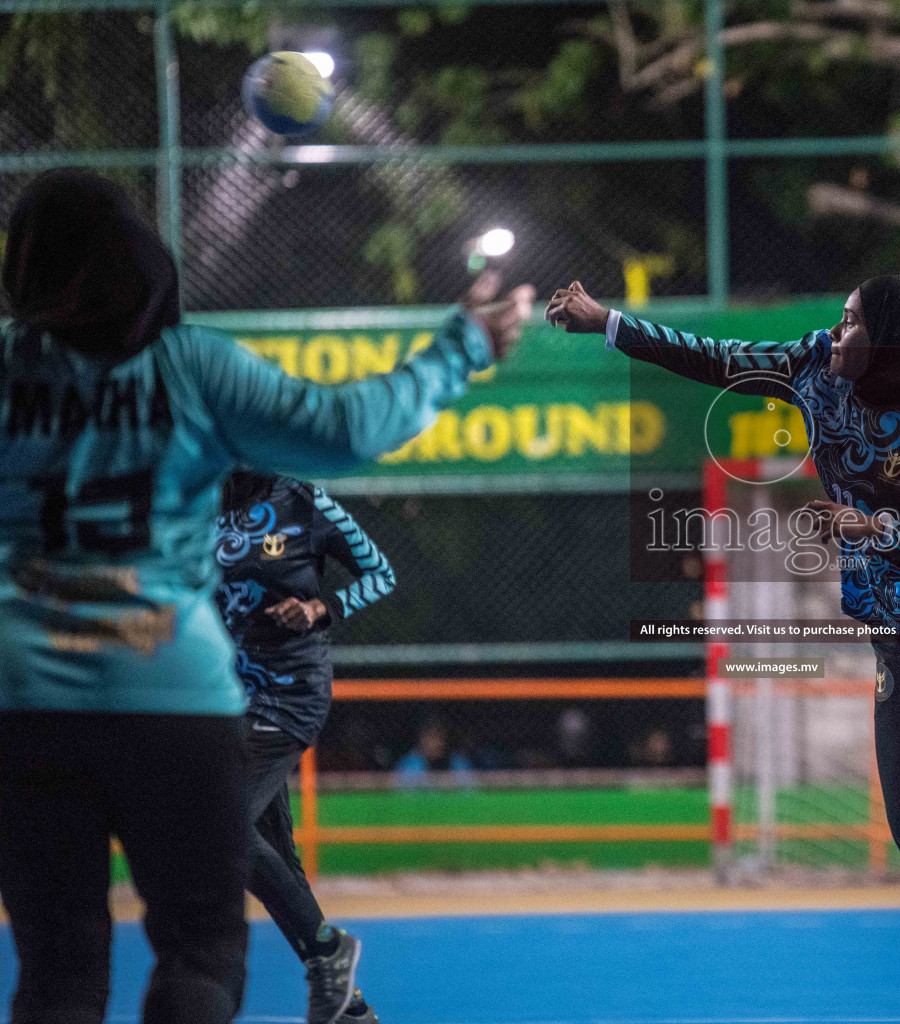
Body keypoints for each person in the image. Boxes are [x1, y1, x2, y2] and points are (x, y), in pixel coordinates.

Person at [0, 169, 528, 1024]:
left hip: (24, 697)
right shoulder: (194, 366)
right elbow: (349, 427)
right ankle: (321, 957)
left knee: (56, 969)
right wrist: (460, 347)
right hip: (171, 693)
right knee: (200, 951)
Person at [546, 276, 900, 1020]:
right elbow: (717, 357)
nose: (832, 332)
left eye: (850, 323)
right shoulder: (813, 368)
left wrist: (877, 532)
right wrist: (607, 322)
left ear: (891, 346)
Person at [216, 468, 401, 1024]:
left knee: (221, 825)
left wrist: (322, 608)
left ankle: (328, 952)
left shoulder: (305, 502)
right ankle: (349, 1008)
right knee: (273, 859)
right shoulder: (194, 493)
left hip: (288, 699)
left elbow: (380, 573)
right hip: (224, 699)